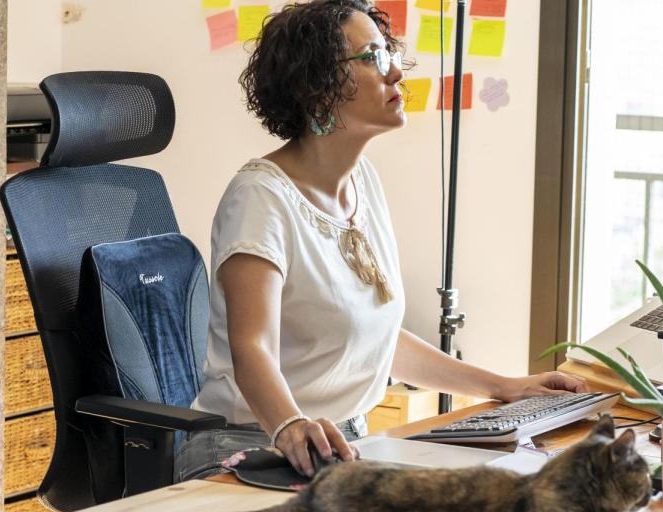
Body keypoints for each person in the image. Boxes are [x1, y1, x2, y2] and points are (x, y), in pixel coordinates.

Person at [177, 0, 585, 482]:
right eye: (371, 57)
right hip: (251, 446)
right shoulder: (260, 199)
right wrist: (290, 425)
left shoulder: (362, 183)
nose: (394, 74)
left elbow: (377, 341)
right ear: (317, 87)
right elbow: (253, 350)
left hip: (346, 444)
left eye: (386, 54)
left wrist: (505, 386)